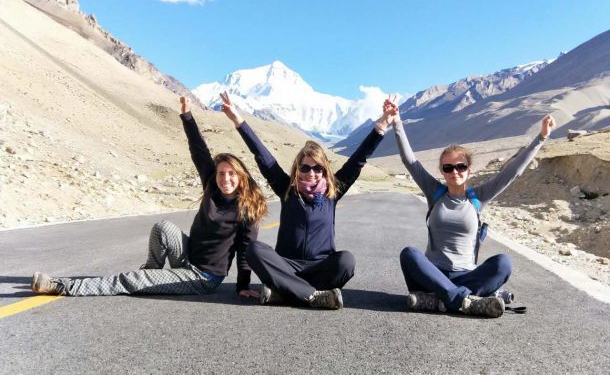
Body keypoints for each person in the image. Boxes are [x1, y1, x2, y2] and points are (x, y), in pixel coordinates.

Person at [31, 96, 267, 298]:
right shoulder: (211, 185)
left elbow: (246, 250)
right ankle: (150, 273)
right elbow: (199, 150)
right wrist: (187, 117)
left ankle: (64, 286)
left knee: (128, 279)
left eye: (231, 174)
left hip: (204, 276)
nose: (225, 179)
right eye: (221, 173)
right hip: (187, 254)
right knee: (162, 227)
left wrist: (243, 286)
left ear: (241, 176)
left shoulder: (248, 209)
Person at [219, 91, 393, 309]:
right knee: (254, 250)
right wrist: (238, 120)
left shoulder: (332, 192)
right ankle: (312, 296)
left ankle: (284, 292)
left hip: (319, 268)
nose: (312, 172)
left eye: (318, 167)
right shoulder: (287, 190)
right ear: (297, 169)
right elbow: (263, 157)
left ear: (324, 170)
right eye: (306, 167)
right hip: (286, 266)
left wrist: (383, 124)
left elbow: (358, 160)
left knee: (346, 261)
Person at [388, 97, 555, 318]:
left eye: (460, 166)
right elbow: (410, 161)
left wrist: (541, 137)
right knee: (409, 254)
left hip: (466, 275)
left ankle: (441, 300)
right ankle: (464, 300)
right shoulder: (435, 192)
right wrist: (397, 122)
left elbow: (512, 173)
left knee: (503, 263)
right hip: (432, 275)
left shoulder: (479, 197)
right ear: (442, 171)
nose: (454, 172)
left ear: (469, 169)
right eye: (448, 167)